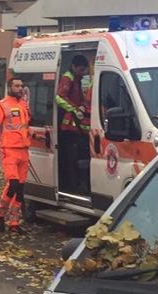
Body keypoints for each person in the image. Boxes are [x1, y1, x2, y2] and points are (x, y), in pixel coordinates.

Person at [0, 77, 31, 234]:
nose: (20, 88)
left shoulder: (23, 105)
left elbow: (24, 127)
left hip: (24, 150)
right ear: (9, 87)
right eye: (16, 85)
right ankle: (0, 213)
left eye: (21, 85)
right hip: (9, 150)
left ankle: (14, 223)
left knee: (20, 189)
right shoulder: (1, 105)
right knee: (13, 185)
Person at [56, 55, 92, 193]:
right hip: (68, 128)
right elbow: (59, 97)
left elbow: (80, 98)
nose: (83, 73)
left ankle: (77, 185)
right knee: (71, 158)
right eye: (81, 70)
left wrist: (82, 106)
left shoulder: (76, 80)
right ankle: (73, 186)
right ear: (74, 67)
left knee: (77, 157)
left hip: (75, 125)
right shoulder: (68, 78)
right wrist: (75, 109)